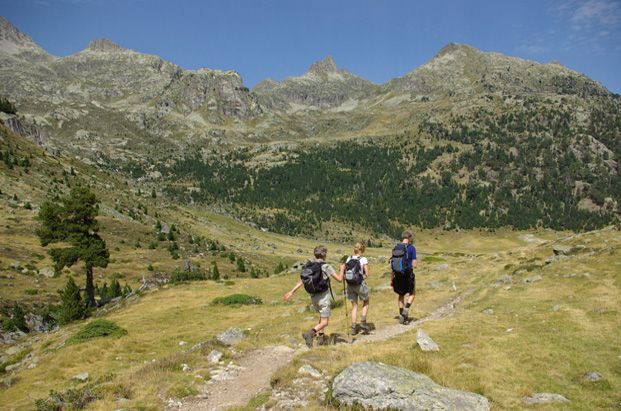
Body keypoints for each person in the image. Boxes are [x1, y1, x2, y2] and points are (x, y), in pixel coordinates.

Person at [283, 245, 343, 347]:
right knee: (324, 322)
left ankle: (321, 337)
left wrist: (291, 291)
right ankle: (310, 334)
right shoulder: (326, 266)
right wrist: (342, 269)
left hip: (313, 297)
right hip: (323, 297)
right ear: (324, 255)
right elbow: (340, 279)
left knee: (321, 316)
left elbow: (303, 281)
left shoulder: (310, 267)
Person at [340, 242, 370, 335]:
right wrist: (363, 276)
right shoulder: (363, 259)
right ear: (362, 249)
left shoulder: (349, 258)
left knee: (354, 306)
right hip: (359, 284)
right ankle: (363, 322)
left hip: (350, 285)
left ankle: (353, 328)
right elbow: (367, 274)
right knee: (366, 301)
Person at [391, 230, 417, 324]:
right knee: (412, 293)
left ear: (402, 238)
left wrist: (391, 279)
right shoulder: (411, 248)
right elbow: (414, 264)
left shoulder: (396, 248)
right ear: (409, 238)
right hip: (408, 274)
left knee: (401, 295)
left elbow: (392, 266)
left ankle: (402, 316)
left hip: (397, 274)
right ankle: (406, 309)